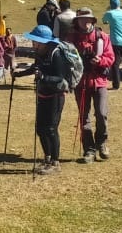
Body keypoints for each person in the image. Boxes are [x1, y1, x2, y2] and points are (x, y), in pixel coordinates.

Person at [13, 24, 79, 175]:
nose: (33, 43)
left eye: (35, 41)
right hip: (42, 94)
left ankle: (55, 163)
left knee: (51, 128)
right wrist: (19, 74)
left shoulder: (56, 54)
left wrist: (43, 77)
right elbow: (35, 69)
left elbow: (60, 78)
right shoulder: (40, 53)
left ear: (44, 41)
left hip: (55, 96)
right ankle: (47, 159)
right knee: (40, 128)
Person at [66, 8, 115, 164]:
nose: (86, 22)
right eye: (82, 19)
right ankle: (89, 149)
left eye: (88, 19)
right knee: (84, 116)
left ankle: (102, 143)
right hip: (80, 83)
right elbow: (67, 58)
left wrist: (99, 61)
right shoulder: (71, 39)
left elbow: (110, 57)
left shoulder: (102, 37)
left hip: (99, 81)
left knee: (101, 113)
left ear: (93, 20)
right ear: (77, 21)